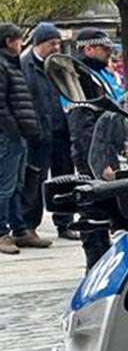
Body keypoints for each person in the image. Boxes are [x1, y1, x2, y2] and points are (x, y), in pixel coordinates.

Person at [65, 27, 123, 268]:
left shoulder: (97, 74)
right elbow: (83, 124)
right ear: (88, 48)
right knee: (94, 209)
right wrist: (99, 163)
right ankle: (96, 266)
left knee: (107, 208)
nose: (109, 53)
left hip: (105, 148)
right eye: (104, 48)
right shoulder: (80, 76)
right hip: (93, 152)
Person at [21, 23, 71, 243]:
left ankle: (65, 222)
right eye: (52, 43)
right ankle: (28, 226)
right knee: (34, 180)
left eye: (59, 43)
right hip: (37, 133)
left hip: (60, 128)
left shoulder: (58, 64)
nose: (56, 47)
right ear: (39, 44)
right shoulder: (25, 65)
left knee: (64, 177)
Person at [0, 24, 42, 255]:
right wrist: (13, 130)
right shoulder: (3, 65)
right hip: (8, 135)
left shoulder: (11, 64)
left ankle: (20, 229)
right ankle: (1, 232)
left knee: (17, 185)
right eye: (18, 40)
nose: (21, 44)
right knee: (5, 187)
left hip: (18, 135)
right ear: (8, 41)